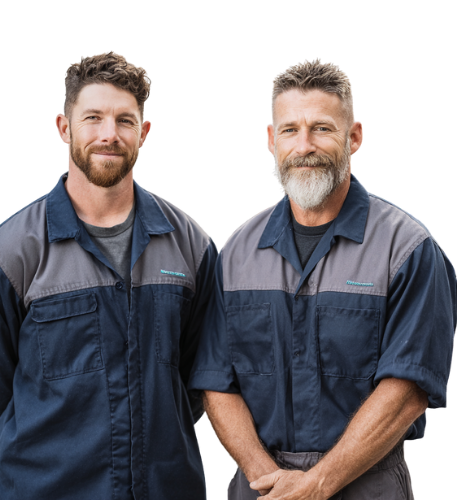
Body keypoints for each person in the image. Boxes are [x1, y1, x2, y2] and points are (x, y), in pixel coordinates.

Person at [188, 58, 456, 500]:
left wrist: (317, 484)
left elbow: (408, 391)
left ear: (355, 136)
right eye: (290, 130)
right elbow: (216, 381)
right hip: (262, 488)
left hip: (367, 486)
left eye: (322, 129)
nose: (304, 145)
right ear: (271, 140)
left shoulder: (408, 249)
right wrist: (268, 478)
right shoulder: (236, 253)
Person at [0, 51, 217, 500]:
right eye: (93, 117)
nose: (108, 134)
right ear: (64, 127)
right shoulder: (9, 253)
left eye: (124, 120)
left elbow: (201, 378)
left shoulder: (190, 245)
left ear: (144, 132)